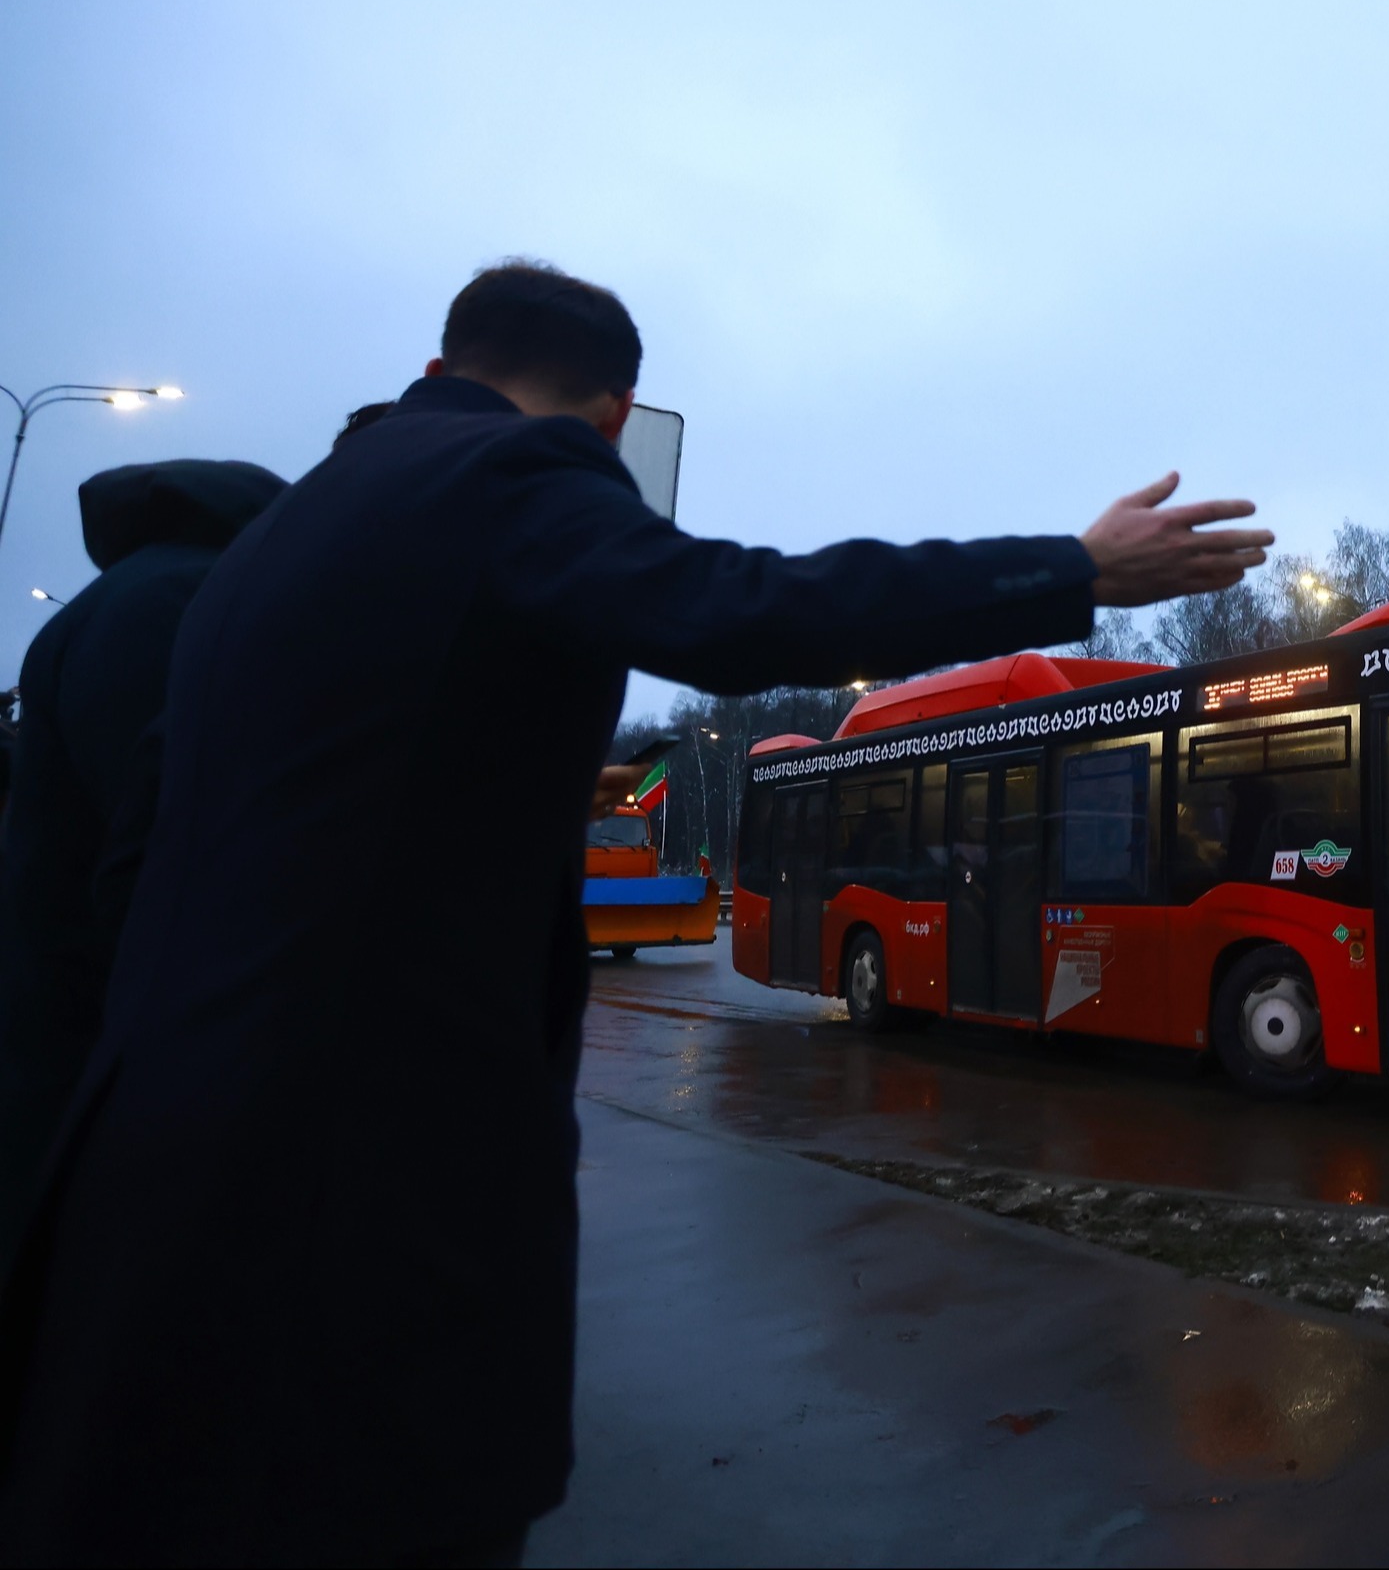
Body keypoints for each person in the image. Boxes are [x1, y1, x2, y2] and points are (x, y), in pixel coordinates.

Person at [0, 260, 1269, 1565]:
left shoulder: (279, 539)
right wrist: (1076, 566)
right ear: (612, 416)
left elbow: (163, 838)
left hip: (155, 1148)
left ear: (436, 369)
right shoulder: (508, 476)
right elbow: (736, 604)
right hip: (361, 1179)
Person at [0, 459, 288, 1279]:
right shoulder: (180, 606)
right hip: (109, 1043)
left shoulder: (126, 596)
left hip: (63, 1021)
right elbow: (171, 838)